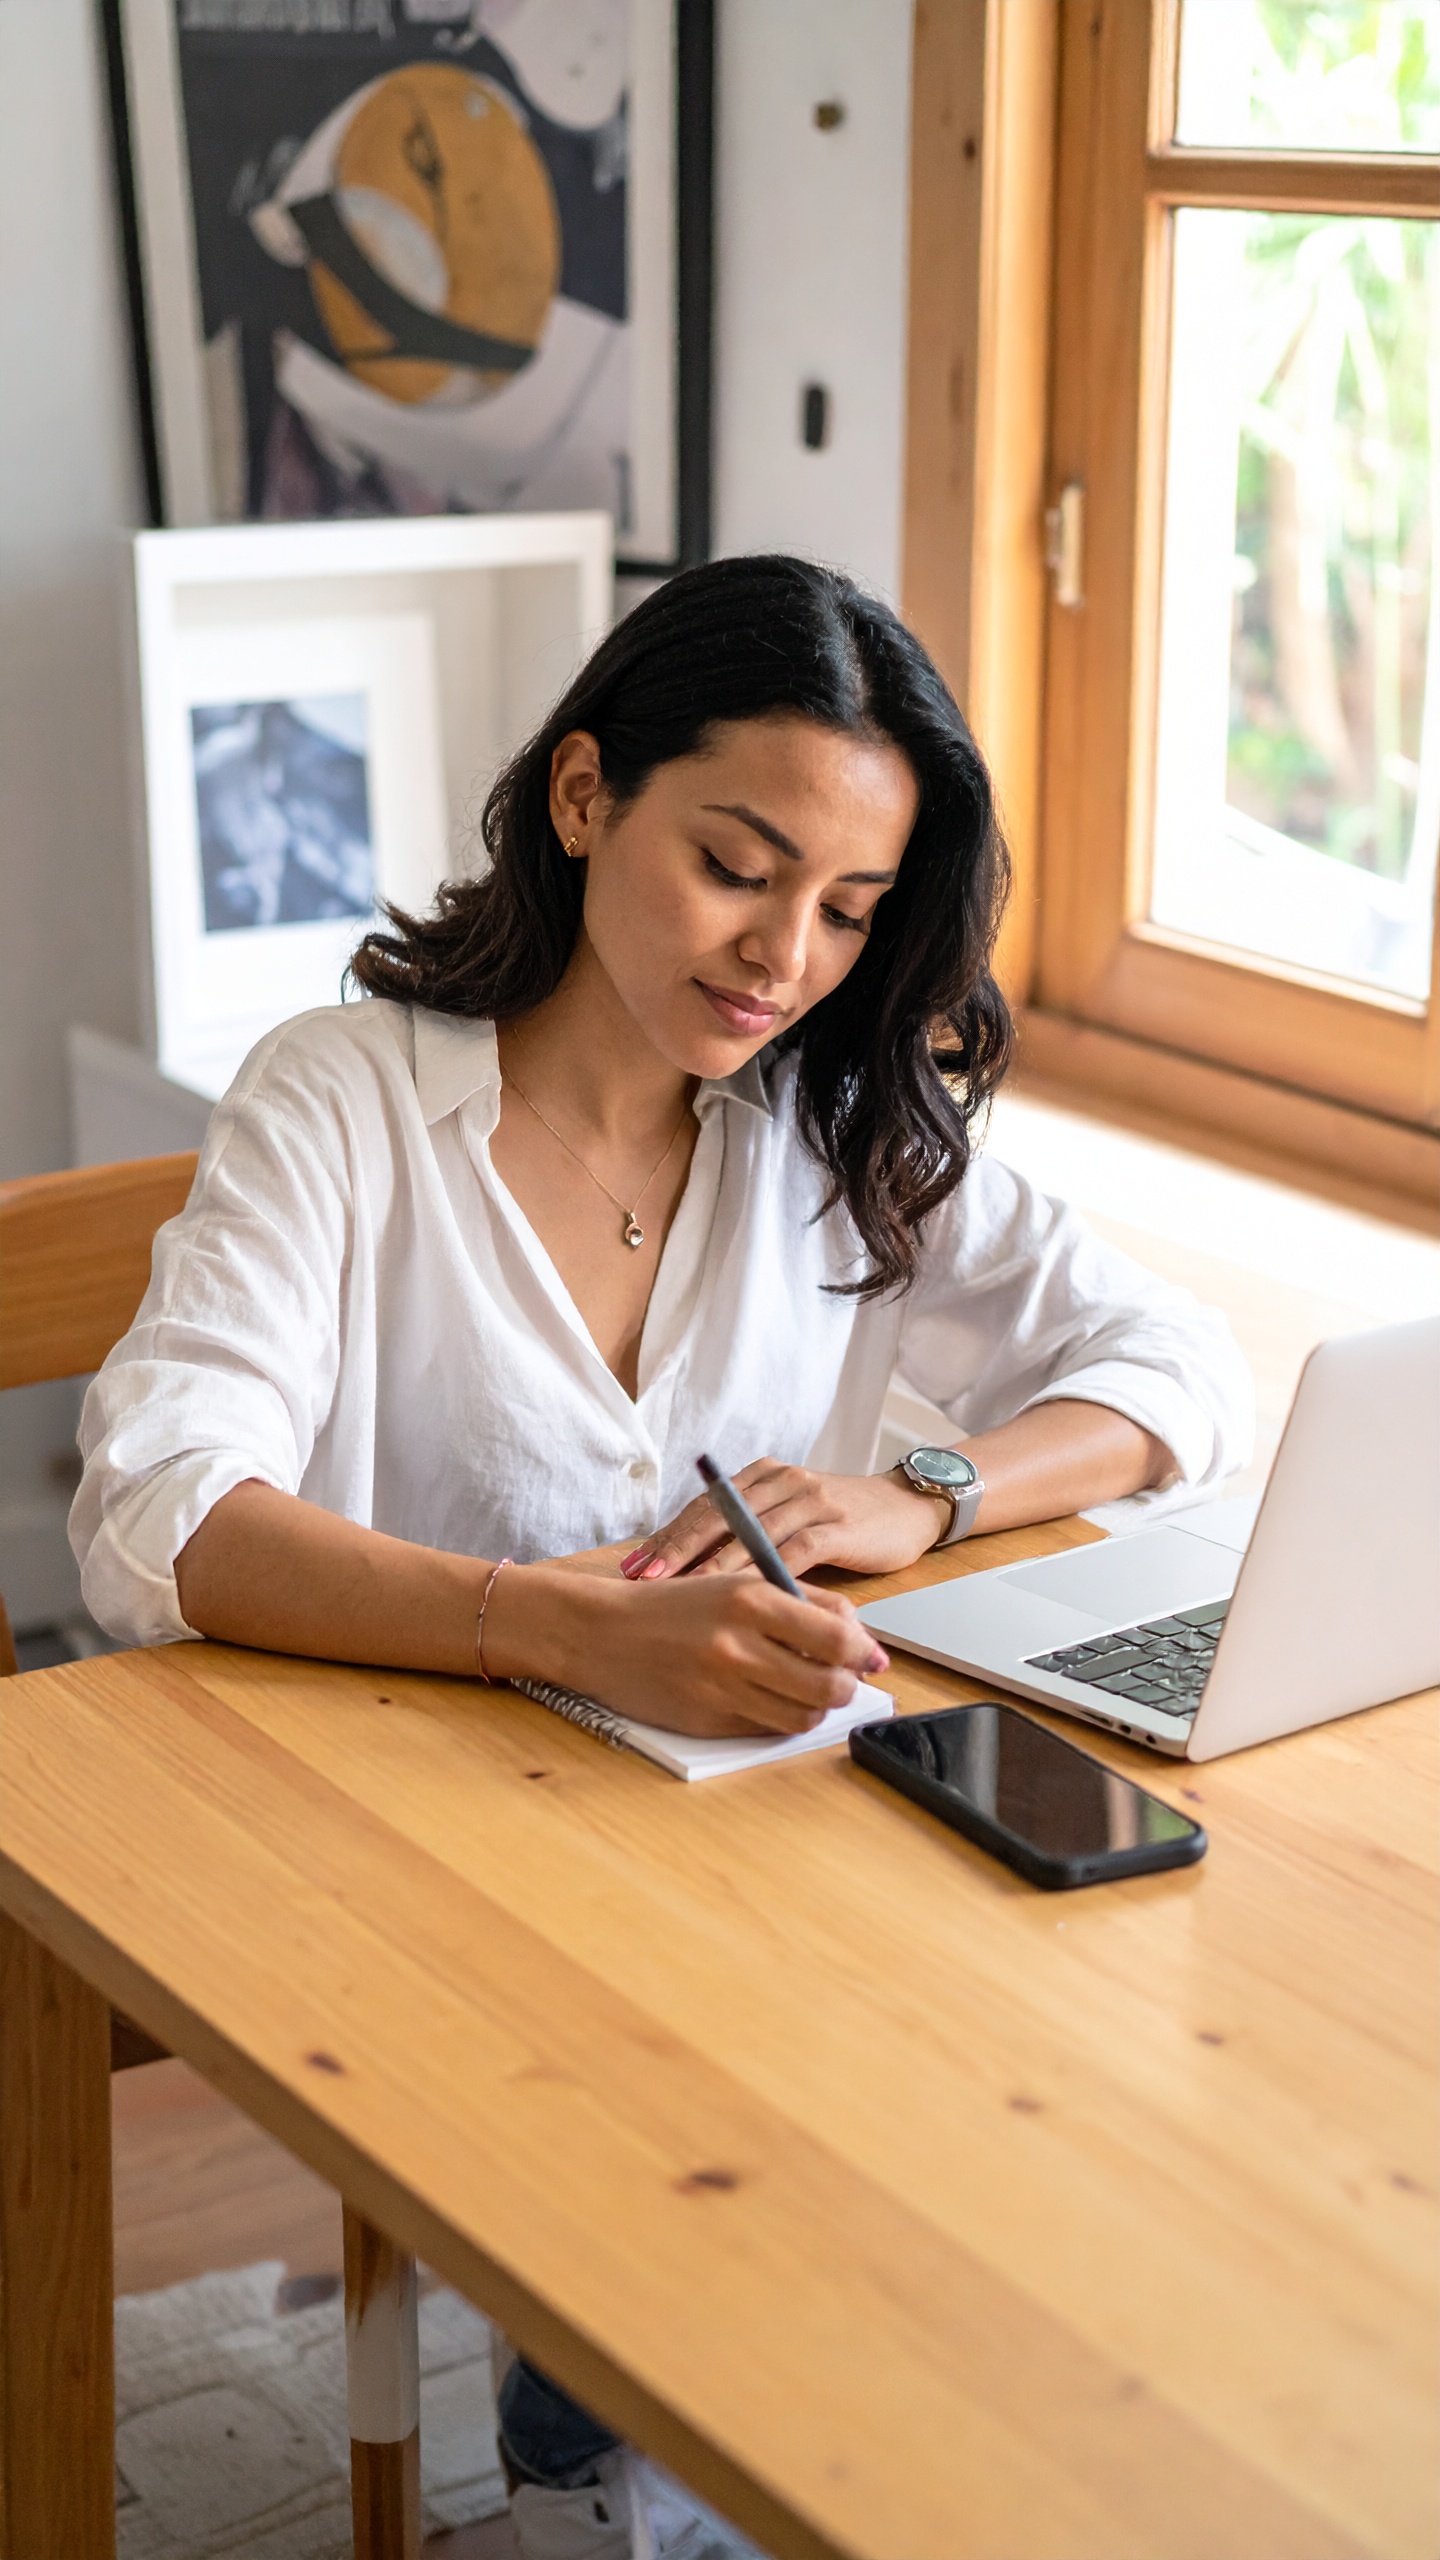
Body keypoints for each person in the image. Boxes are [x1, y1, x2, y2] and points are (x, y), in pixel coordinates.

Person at [72, 555, 1251, 2560]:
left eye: (853, 911)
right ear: (586, 793)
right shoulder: (343, 1099)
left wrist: (925, 1494)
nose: (786, 952)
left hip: (734, 1854)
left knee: (1085, 2069)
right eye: (741, 864)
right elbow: (155, 1511)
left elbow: (1178, 1369)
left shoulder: (825, 1113)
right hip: (413, 1861)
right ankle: (596, 2429)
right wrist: (566, 1630)